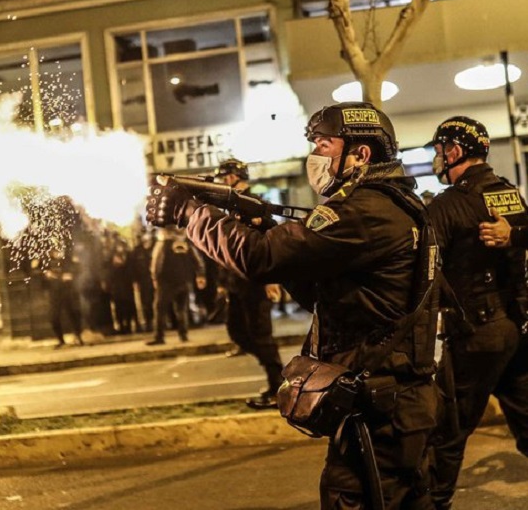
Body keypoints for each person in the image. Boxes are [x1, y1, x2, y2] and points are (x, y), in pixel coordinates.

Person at [146, 101, 439, 508]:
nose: (315, 154)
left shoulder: (363, 210)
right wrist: (267, 227)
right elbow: (324, 295)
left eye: (324, 144)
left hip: (382, 407)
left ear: (361, 153)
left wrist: (189, 213)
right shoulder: (388, 203)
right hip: (391, 400)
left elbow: (260, 258)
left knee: (352, 497)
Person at [423, 116, 528, 509]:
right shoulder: (509, 194)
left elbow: (422, 268)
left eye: (439, 151)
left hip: (475, 336)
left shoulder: (448, 204)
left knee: (448, 431)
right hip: (516, 328)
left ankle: (435, 502)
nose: (438, 159)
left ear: (454, 151)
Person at [211, 158, 285, 410]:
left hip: (256, 281)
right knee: (238, 333)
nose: (222, 181)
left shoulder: (255, 204)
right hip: (235, 282)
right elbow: (225, 246)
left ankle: (279, 385)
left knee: (261, 335)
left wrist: (272, 279)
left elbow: (269, 239)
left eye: (226, 176)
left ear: (236, 176)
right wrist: (222, 282)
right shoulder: (227, 205)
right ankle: (276, 376)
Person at [146, 226, 206, 345]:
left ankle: (159, 336)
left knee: (160, 309)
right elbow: (198, 261)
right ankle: (183, 335)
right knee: (181, 309)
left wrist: (154, 277)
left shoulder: (163, 243)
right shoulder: (186, 243)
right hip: (184, 280)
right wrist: (200, 275)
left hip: (166, 282)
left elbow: (157, 261)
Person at [44, 244, 84, 348]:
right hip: (55, 293)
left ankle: (78, 336)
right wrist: (46, 275)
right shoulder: (47, 262)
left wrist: (71, 275)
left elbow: (78, 268)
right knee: (54, 317)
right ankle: (61, 339)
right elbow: (38, 272)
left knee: (73, 313)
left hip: (68, 291)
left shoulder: (68, 260)